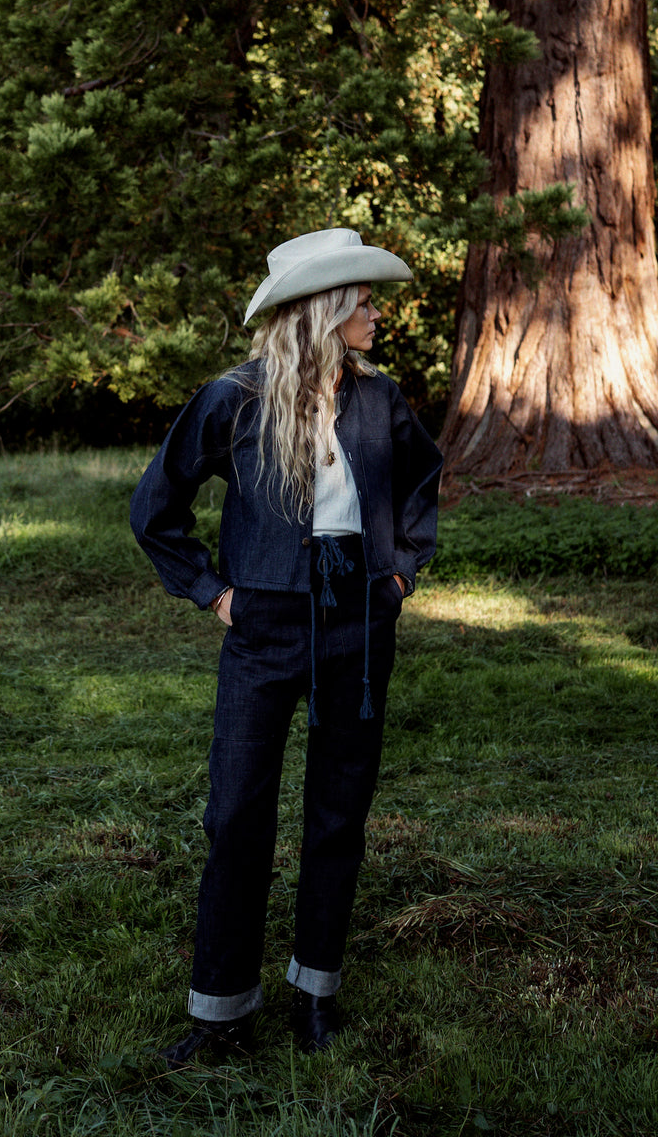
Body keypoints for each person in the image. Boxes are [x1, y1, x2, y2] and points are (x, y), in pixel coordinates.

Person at [130, 228, 441, 1064]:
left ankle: (315, 990)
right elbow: (153, 506)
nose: (378, 314)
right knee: (236, 814)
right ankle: (221, 1013)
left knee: (339, 810)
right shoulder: (233, 397)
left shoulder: (381, 400)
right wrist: (212, 589)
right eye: (366, 302)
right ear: (325, 311)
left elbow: (421, 482)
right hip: (263, 614)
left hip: (361, 613)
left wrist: (401, 572)